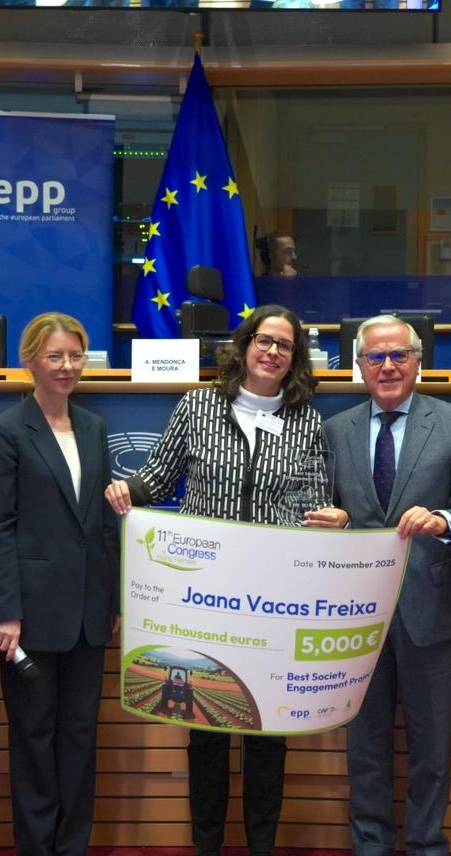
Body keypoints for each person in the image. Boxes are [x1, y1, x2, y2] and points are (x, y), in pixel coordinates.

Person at [104, 304, 332, 856]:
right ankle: (206, 846)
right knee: (205, 729)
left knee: (268, 733)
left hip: (275, 598)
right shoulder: (199, 405)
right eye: (264, 340)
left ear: (295, 358)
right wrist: (126, 492)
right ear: (244, 345)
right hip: (204, 595)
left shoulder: (307, 419)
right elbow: (158, 478)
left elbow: (316, 500)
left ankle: (261, 847)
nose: (273, 351)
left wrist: (335, 515)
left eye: (285, 345)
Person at [309, 314, 451, 856]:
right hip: (355, 615)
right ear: (358, 366)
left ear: (418, 361)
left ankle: (426, 844)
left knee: (431, 747)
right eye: (375, 357)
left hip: (429, 609)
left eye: (399, 356)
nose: (387, 367)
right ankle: (369, 845)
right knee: (363, 745)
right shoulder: (335, 428)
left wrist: (442, 520)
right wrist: (335, 519)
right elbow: (322, 508)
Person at [0, 312, 120, 856]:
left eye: (76, 356)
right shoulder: (6, 430)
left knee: (80, 739)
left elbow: (103, 525)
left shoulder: (93, 427)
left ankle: (72, 847)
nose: (67, 367)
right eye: (55, 356)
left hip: (88, 613)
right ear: (31, 361)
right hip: (30, 618)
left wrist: (109, 599)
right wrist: (7, 611)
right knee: (35, 742)